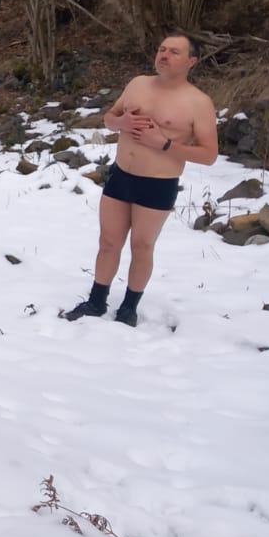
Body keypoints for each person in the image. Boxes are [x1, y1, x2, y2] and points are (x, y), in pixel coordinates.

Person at [62, 33, 218, 327]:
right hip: (120, 176)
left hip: (157, 183)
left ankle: (128, 309)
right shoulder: (138, 83)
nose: (164, 55)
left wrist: (164, 144)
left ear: (191, 62)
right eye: (162, 49)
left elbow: (209, 155)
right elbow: (110, 117)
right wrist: (121, 123)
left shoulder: (198, 102)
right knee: (108, 242)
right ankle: (96, 302)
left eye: (174, 51)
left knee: (142, 247)